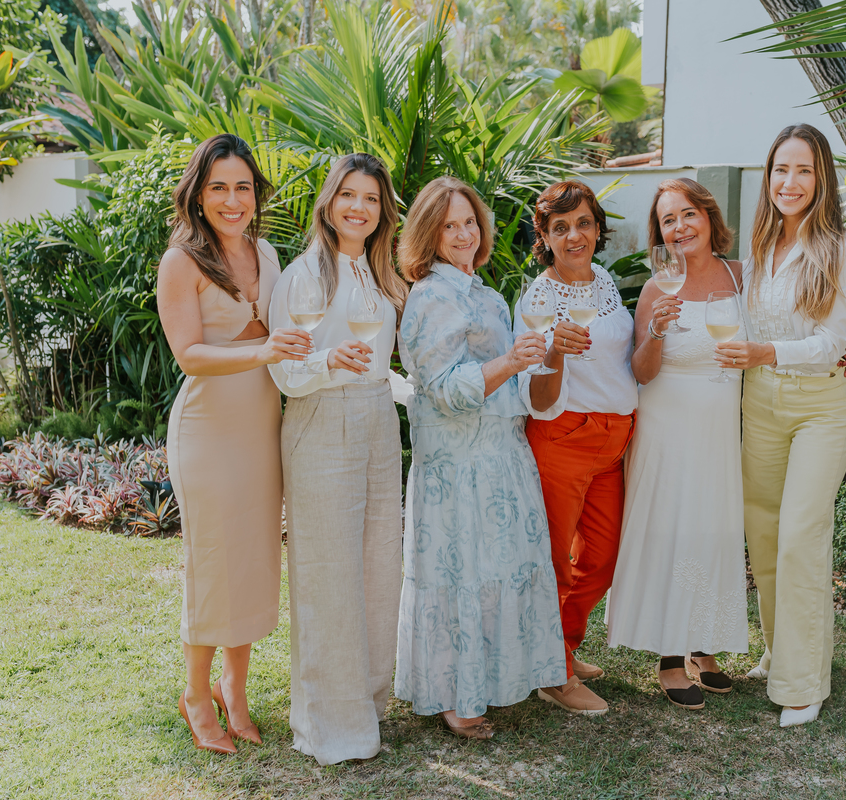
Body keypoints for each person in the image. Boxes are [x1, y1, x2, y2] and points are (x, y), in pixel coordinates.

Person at [715, 123, 846, 727]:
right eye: (781, 170)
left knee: (801, 536)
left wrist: (764, 353)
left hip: (819, 408)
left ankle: (802, 683)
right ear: (769, 176)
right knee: (763, 532)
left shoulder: (845, 251)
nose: (790, 182)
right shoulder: (759, 249)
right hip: (760, 403)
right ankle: (781, 648)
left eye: (803, 170)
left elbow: (832, 343)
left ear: (822, 177)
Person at [394, 176, 565, 739]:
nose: (464, 233)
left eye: (470, 222)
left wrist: (543, 361)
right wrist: (514, 361)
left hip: (500, 457)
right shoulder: (430, 297)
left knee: (495, 571)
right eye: (450, 225)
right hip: (456, 467)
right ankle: (452, 693)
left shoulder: (486, 295)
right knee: (461, 575)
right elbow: (445, 388)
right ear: (429, 234)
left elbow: (516, 388)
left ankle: (492, 678)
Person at [157, 134, 310, 753]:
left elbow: (289, 330)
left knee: (251, 562)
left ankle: (235, 688)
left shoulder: (268, 254)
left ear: (256, 194)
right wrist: (265, 348)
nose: (231, 198)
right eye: (218, 186)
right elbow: (190, 356)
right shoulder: (182, 262)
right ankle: (196, 694)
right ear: (198, 194)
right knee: (214, 563)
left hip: (262, 430)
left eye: (242, 186)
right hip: (209, 433)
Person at [267, 153, 409, 763]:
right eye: (348, 195)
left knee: (379, 567)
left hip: (378, 418)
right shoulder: (304, 276)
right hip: (321, 420)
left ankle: (367, 705)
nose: (359, 207)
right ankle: (329, 724)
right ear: (329, 203)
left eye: (372, 199)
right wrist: (328, 362)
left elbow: (380, 361)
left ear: (383, 211)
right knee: (327, 575)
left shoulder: (379, 277)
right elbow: (283, 367)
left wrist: (409, 387)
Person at [605, 178, 748, 710]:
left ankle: (704, 645)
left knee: (713, 529)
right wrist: (657, 332)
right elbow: (641, 372)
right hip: (666, 430)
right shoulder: (655, 288)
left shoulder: (740, 276)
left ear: (709, 218)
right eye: (668, 220)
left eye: (688, 214)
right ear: (660, 234)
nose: (680, 226)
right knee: (672, 530)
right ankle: (668, 654)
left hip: (718, 430)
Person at [514, 181, 637, 717]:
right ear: (544, 236)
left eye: (583, 223)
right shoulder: (539, 298)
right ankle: (554, 673)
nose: (574, 235)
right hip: (563, 437)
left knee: (603, 560)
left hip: (614, 439)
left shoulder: (605, 282)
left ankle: (557, 644)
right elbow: (539, 400)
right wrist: (554, 354)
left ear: (597, 228)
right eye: (560, 227)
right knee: (555, 563)